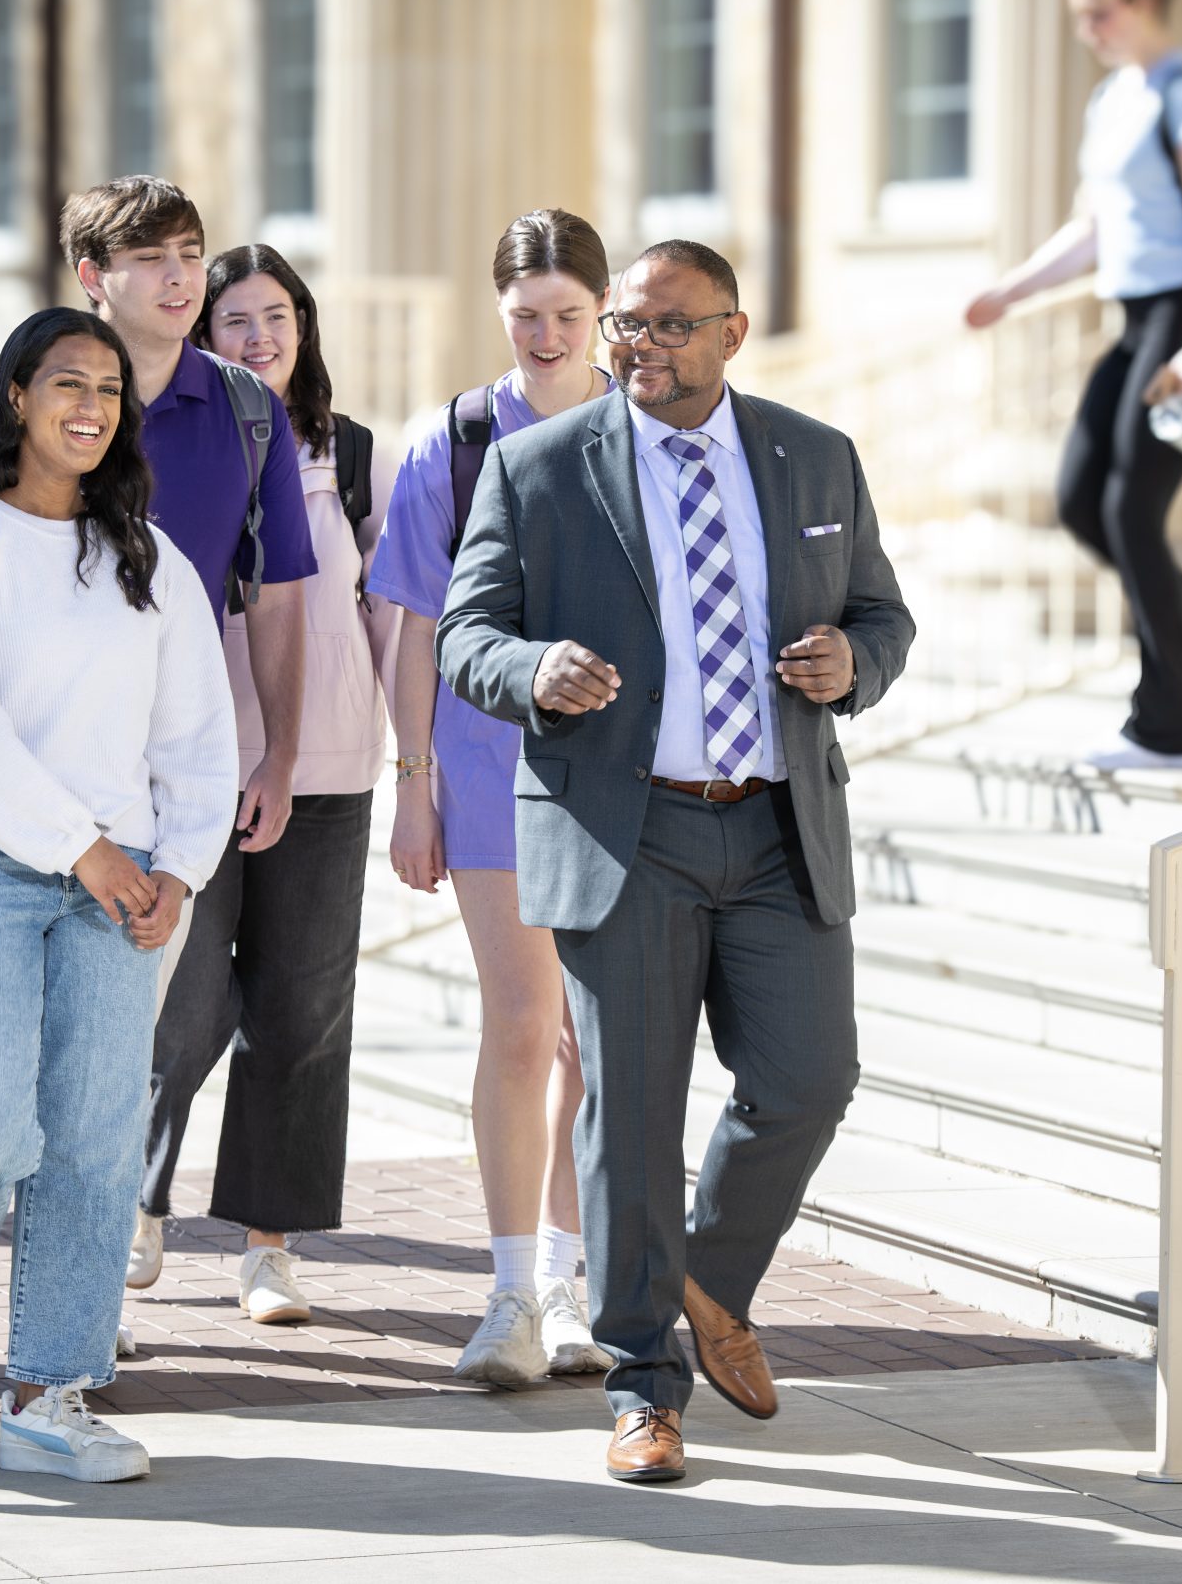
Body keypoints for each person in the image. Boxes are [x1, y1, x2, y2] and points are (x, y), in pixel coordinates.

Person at [437, 240, 916, 1484]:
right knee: (631, 1117)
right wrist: (529, 672)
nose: (637, 347)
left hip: (775, 824)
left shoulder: (816, 456)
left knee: (810, 1079)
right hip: (623, 831)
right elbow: (465, 635)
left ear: (730, 333)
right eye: (626, 331)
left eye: (665, 327)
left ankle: (705, 1276)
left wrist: (854, 664)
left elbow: (883, 613)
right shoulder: (542, 467)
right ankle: (645, 1391)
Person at [0, 306, 237, 1483]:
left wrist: (178, 867)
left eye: (108, 391)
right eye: (65, 384)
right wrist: (83, 848)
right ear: (16, 399)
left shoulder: (148, 556)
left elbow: (198, 731)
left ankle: (50, 1393)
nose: (90, 407)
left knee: (93, 1140)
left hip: (129, 882)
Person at [365, 208, 616, 1383]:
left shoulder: (645, 427)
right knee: (524, 1025)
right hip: (484, 772)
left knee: (597, 1041)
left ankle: (573, 1285)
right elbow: (409, 626)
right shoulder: (453, 441)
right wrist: (410, 784)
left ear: (602, 313)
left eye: (569, 316)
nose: (548, 338)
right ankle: (514, 1289)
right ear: (498, 313)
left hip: (624, 781)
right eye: (526, 319)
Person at [138, 246, 386, 1325]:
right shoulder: (176, 439)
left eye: (276, 316)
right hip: (191, 772)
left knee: (301, 1012)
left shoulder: (357, 454)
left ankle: (268, 1246)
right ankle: (134, 1207)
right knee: (180, 1008)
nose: (259, 338)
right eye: (235, 320)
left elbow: (398, 620)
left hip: (326, 771)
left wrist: (419, 768)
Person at [963, 0, 1182, 769]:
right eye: (1079, 16)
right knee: (1081, 500)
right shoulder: (1112, 99)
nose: (1086, 32)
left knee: (1134, 509)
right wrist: (1011, 290)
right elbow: (1094, 230)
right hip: (1135, 318)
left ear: (1140, 2)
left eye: (1097, 14)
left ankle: (1171, 726)